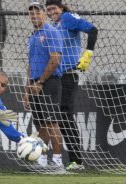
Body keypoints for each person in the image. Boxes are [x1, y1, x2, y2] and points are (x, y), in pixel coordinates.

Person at [45, 0, 98, 170]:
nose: (51, 11)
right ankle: (71, 160)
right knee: (60, 115)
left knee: (65, 114)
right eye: (48, 10)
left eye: (53, 8)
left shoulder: (68, 17)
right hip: (58, 76)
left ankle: (77, 161)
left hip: (69, 74)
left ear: (61, 8)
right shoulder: (54, 24)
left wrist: (88, 53)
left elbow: (93, 30)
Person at [23, 1, 64, 169]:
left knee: (51, 122)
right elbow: (30, 64)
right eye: (31, 13)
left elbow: (55, 60)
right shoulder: (32, 36)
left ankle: (57, 162)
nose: (34, 15)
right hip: (34, 84)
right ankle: (41, 161)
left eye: (37, 12)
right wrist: (27, 89)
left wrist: (40, 82)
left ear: (44, 14)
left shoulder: (51, 32)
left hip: (49, 83)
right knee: (40, 124)